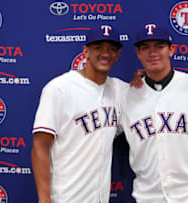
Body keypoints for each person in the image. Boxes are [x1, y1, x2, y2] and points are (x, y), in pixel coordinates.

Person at [31, 24, 127, 203]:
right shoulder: (59, 88)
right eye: (98, 47)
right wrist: (44, 200)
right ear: (86, 51)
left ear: (118, 55)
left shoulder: (120, 90)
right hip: (66, 197)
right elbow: (39, 146)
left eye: (112, 49)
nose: (105, 54)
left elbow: (155, 94)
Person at [119, 23, 188, 203]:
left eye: (159, 46)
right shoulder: (124, 96)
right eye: (145, 48)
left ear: (171, 50)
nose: (152, 53)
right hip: (147, 196)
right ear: (138, 53)